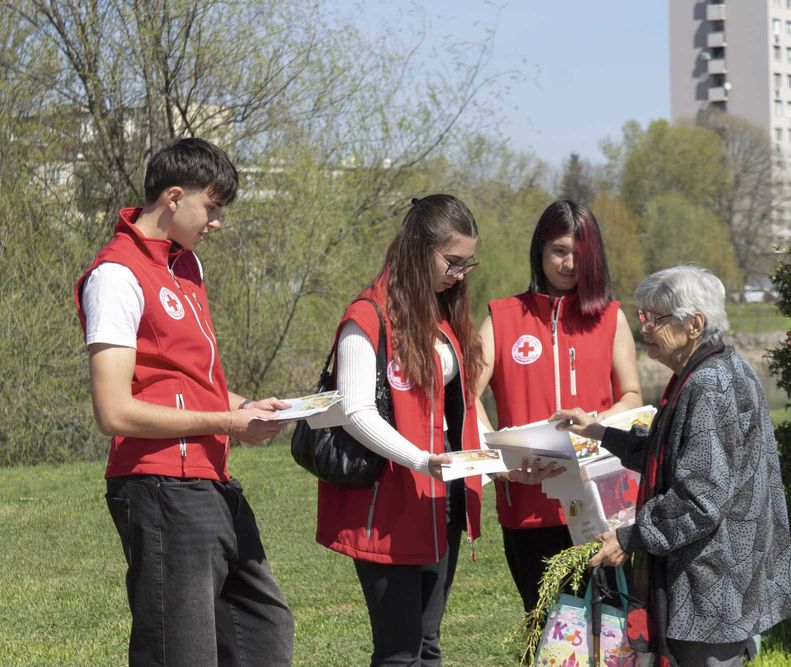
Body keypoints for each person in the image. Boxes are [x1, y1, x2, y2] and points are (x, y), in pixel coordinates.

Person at [74, 137, 294, 666]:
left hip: (210, 478)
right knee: (181, 652)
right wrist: (228, 421)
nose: (216, 222)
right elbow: (114, 411)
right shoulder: (116, 276)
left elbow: (191, 381)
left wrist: (248, 407)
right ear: (174, 197)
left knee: (264, 631)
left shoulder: (187, 267)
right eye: (211, 208)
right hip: (158, 485)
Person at [553, 265, 791, 667]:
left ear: (694, 325)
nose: (645, 327)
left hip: (713, 584)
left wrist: (631, 537)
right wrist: (598, 431)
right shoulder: (715, 367)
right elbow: (670, 453)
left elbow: (699, 499)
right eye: (643, 315)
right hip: (721, 578)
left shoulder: (709, 384)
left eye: (656, 317)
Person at [315, 195, 485, 666]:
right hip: (390, 501)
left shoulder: (443, 313)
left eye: (467, 263)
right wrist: (420, 460)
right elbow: (355, 412)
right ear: (418, 249)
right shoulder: (366, 316)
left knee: (427, 645)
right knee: (399, 652)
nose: (460, 274)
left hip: (439, 497)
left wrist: (495, 460)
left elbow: (460, 406)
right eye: (452, 261)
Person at [475, 200, 642, 613]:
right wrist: (499, 462)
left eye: (580, 253)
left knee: (609, 627)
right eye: (559, 251)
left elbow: (631, 396)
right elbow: (465, 396)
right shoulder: (502, 317)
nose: (569, 263)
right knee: (544, 626)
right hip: (526, 502)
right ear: (540, 250)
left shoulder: (611, 318)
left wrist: (596, 424)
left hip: (600, 505)